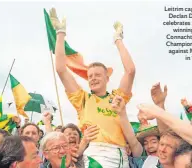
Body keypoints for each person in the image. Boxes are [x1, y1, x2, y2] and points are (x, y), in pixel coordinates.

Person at [50, 7, 139, 167]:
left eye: (97, 75)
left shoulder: (118, 99)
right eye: (90, 76)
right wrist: (60, 33)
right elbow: (61, 69)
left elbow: (130, 71)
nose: (93, 78)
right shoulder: (82, 99)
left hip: (119, 155)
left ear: (107, 77)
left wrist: (118, 39)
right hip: (94, 154)